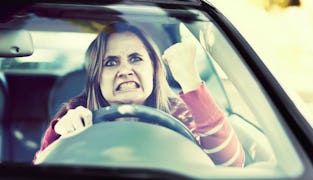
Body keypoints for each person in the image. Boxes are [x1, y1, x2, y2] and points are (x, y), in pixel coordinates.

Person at [33, 22, 245, 167]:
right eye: (111, 62)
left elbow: (230, 164)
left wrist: (190, 80)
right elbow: (40, 168)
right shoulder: (75, 111)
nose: (125, 70)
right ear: (97, 77)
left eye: (135, 58)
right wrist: (59, 134)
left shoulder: (179, 112)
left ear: (154, 69)